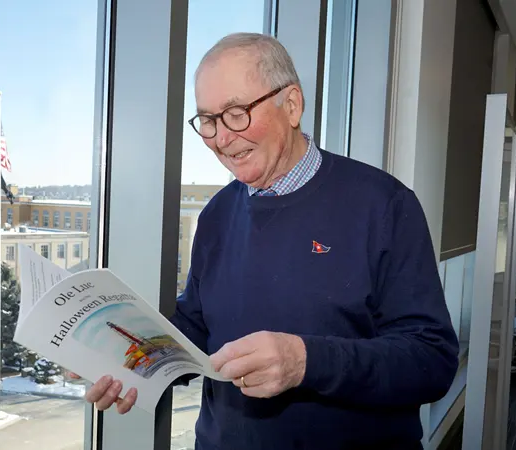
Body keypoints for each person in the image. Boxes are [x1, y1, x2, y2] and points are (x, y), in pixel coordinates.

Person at [74, 32, 459, 449]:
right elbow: (199, 332)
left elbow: (430, 361)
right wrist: (124, 357)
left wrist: (306, 363)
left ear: (291, 105)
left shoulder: (384, 205)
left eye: (236, 112)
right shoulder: (216, 214)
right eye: (208, 120)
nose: (222, 138)